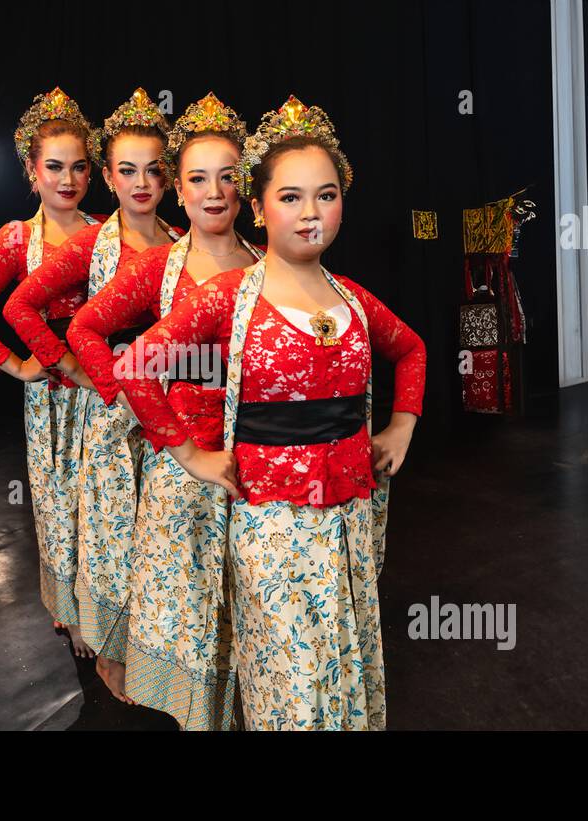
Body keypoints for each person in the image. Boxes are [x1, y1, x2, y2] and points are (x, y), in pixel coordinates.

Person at [115, 97, 426, 730]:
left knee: (342, 655)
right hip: (272, 523)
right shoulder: (230, 295)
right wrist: (191, 455)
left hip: (352, 517)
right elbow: (135, 368)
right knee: (287, 676)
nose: (311, 212)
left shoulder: (353, 296)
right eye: (290, 197)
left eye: (327, 194)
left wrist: (402, 425)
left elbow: (412, 349)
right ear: (258, 207)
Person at [67, 92, 260, 727]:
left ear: (247, 186)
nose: (214, 193)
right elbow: (87, 331)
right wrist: (142, 411)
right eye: (198, 179)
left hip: (255, 467)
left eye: (228, 178)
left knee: (247, 603)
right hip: (184, 467)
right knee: (188, 602)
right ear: (179, 189)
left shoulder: (271, 264)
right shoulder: (159, 265)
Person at [3, 89, 181, 691]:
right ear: (111, 176)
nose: (141, 182)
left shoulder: (184, 242)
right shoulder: (91, 243)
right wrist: (66, 369)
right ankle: (107, 642)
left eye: (155, 170)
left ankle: (168, 653)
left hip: (172, 405)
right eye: (126, 171)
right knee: (108, 528)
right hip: (107, 410)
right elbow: (21, 307)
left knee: (162, 534)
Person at [0, 88, 102, 655]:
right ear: (31, 172)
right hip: (54, 396)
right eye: (54, 167)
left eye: (80, 166)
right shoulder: (16, 238)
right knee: (59, 498)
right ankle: (74, 616)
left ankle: (111, 604)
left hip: (106, 388)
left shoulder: (110, 230)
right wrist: (16, 367)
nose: (68, 179)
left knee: (107, 499)